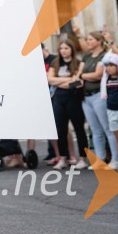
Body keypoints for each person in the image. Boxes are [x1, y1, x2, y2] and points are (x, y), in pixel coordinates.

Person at [79, 32, 118, 169]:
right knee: (95, 130)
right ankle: (100, 159)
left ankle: (115, 159)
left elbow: (97, 75)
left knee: (108, 128)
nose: (88, 42)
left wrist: (82, 75)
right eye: (87, 39)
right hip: (86, 97)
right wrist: (82, 75)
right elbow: (78, 73)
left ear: (98, 41)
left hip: (99, 95)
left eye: (90, 39)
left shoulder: (105, 56)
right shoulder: (86, 56)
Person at [47, 38, 88, 169]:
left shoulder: (78, 63)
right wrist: (68, 80)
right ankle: (63, 158)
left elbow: (76, 83)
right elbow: (50, 80)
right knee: (60, 129)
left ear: (72, 49)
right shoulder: (55, 63)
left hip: (73, 98)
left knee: (79, 128)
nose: (64, 51)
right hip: (59, 98)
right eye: (61, 49)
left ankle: (82, 158)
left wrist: (62, 81)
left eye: (66, 48)